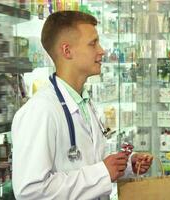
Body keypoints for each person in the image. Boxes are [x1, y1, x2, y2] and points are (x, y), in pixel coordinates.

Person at [12, 10, 153, 200]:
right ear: (67, 51)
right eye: (93, 43)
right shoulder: (41, 111)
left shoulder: (84, 102)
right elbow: (30, 191)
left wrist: (127, 165)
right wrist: (102, 173)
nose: (102, 50)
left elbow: (91, 161)